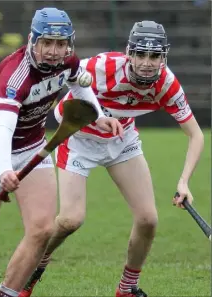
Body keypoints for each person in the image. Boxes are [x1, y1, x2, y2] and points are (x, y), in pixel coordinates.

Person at [20, 21, 204, 297]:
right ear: (128, 52)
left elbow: (196, 135)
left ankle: (127, 288)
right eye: (140, 54)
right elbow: (63, 78)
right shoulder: (101, 67)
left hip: (122, 141)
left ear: (163, 57)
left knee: (148, 220)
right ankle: (34, 267)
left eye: (154, 56)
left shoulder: (167, 84)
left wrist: (184, 182)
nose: (146, 63)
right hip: (78, 138)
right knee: (70, 220)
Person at [0, 7, 122, 297]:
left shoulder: (67, 60)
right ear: (33, 40)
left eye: (61, 43)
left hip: (32, 147)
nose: (54, 51)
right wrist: (5, 169)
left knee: (42, 230)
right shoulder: (15, 77)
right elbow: (3, 130)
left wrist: (98, 114)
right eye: (47, 43)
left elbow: (79, 83)